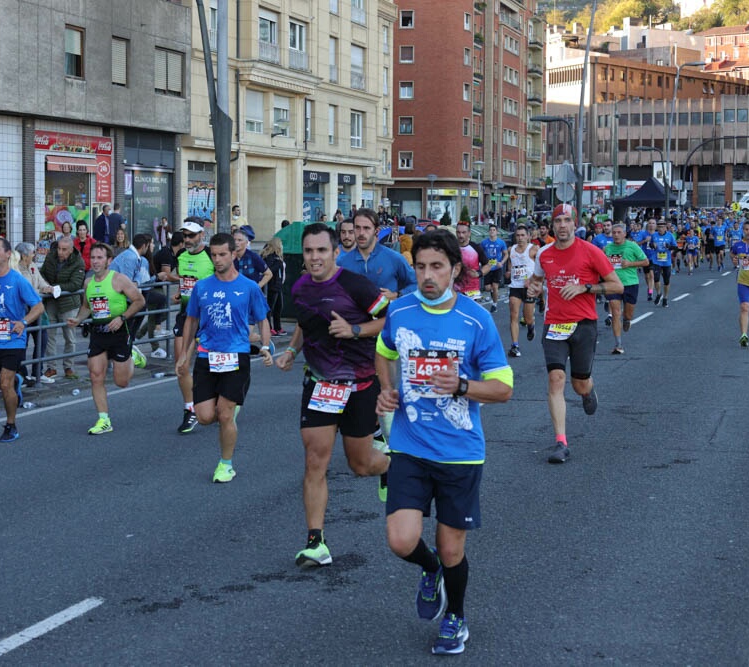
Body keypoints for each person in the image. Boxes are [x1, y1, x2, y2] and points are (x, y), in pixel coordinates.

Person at [375, 229, 513, 656]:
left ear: (455, 269)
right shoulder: (400, 311)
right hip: (410, 446)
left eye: (437, 267)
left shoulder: (476, 319)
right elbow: (384, 350)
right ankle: (428, 567)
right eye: (420, 266)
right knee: (401, 540)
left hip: (460, 453)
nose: (428, 276)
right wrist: (386, 389)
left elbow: (504, 387)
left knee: (453, 548)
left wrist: (463, 385)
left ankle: (456, 616)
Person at [276, 223, 390, 568]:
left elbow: (388, 320)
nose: (314, 257)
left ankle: (392, 465)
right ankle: (316, 542)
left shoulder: (356, 285)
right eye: (309, 251)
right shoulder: (299, 288)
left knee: (360, 464)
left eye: (321, 250)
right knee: (315, 460)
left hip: (360, 385)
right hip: (320, 383)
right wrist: (292, 353)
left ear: (335, 252)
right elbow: (304, 325)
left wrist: (355, 330)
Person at [526, 203, 623, 463]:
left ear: (574, 224)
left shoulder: (591, 252)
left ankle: (588, 391)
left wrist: (585, 288)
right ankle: (561, 442)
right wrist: (533, 289)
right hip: (554, 324)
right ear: (553, 225)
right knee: (556, 379)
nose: (562, 226)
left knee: (579, 384)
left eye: (567, 220)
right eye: (558, 221)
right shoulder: (544, 254)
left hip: (584, 324)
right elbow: (535, 280)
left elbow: (617, 285)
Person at [175, 233, 272, 482]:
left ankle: (225, 464)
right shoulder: (202, 287)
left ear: (233, 255)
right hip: (207, 356)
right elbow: (191, 320)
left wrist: (265, 346)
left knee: (225, 415)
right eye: (214, 255)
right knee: (206, 416)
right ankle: (224, 407)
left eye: (222, 255)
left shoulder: (249, 287)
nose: (217, 260)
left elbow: (262, 320)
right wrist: (184, 355)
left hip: (236, 356)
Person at [68, 243, 147, 435]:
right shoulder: (88, 283)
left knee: (121, 382)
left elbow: (139, 301)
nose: (95, 262)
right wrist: (78, 318)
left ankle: (131, 356)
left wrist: (122, 318)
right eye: (93, 258)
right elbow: (87, 306)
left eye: (100, 258)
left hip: (119, 331)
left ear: (109, 261)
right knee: (96, 376)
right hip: (98, 332)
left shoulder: (119, 280)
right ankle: (104, 420)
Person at [0, 237, 45, 443]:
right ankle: (16, 382)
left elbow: (38, 307)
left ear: (7, 254)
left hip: (13, 340)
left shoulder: (18, 280)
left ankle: (11, 424)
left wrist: (23, 321)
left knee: (4, 384)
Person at [172, 219, 216, 434]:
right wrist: (182, 292)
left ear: (201, 235)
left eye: (191, 236)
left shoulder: (211, 256)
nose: (187, 240)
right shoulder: (181, 256)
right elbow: (185, 280)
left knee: (211, 366)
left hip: (209, 318)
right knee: (180, 365)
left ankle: (217, 399)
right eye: (185, 236)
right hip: (186, 315)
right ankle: (190, 409)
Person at [336, 208, 416, 301]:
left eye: (366, 228)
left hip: (386, 314)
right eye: (357, 227)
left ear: (377, 231)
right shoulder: (342, 263)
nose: (361, 233)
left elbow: (417, 284)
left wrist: (397, 295)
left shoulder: (394, 258)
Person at [110, 233, 164, 358]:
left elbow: (138, 282)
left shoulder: (138, 258)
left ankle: (129, 345)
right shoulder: (131, 258)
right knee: (126, 326)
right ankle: (122, 352)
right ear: (144, 246)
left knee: (141, 309)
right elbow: (128, 284)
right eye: (149, 244)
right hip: (120, 297)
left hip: (125, 297)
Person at [40, 236, 87, 380]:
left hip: (69, 302)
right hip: (51, 301)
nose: (60, 252)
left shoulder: (78, 262)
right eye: (59, 248)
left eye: (64, 249)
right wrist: (46, 286)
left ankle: (69, 366)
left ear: (71, 249)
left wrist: (56, 288)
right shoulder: (51, 257)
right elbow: (42, 273)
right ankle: (51, 367)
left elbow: (76, 284)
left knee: (69, 336)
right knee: (50, 335)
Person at [603, 223, 648, 354]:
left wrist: (630, 264)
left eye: (618, 232)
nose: (616, 235)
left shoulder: (632, 246)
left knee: (627, 314)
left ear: (624, 234)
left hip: (630, 283)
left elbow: (646, 262)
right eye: (614, 233)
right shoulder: (607, 248)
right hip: (613, 284)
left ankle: (627, 319)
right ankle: (618, 345)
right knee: (616, 313)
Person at [12, 242, 54, 385]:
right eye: (32, 253)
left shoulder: (33, 266)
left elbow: (40, 281)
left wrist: (47, 287)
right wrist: (40, 291)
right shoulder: (15, 270)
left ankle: (38, 372)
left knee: (42, 339)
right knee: (22, 341)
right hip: (23, 311)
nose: (34, 255)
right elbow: (24, 291)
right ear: (24, 256)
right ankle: (22, 373)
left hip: (36, 309)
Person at [505, 224, 537, 357]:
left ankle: (531, 325)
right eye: (517, 235)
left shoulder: (534, 249)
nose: (520, 238)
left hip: (529, 288)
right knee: (514, 315)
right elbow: (511, 264)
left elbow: (541, 268)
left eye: (523, 235)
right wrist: (508, 271)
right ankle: (515, 345)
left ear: (528, 236)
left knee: (527, 317)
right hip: (515, 286)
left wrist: (532, 279)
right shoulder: (511, 249)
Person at [453, 222, 489, 303]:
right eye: (458, 232)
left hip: (472, 291)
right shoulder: (451, 247)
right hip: (454, 290)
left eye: (463, 232)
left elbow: (487, 265)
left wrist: (479, 273)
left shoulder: (475, 247)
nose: (460, 235)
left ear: (469, 233)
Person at [729, 220, 749, 348]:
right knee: (744, 307)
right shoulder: (738, 245)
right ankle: (743, 335)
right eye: (746, 229)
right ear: (743, 231)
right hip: (743, 281)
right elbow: (732, 254)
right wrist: (734, 259)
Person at [479, 224, 508, 312]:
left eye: (494, 230)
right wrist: (482, 263)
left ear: (497, 232)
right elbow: (480, 253)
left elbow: (506, 254)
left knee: (495, 286)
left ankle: (494, 305)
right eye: (490, 230)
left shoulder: (501, 242)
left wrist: (501, 263)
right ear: (488, 232)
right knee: (488, 288)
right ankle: (493, 293)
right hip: (487, 267)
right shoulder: (484, 242)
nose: (492, 231)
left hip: (497, 268)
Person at [261, 237, 287, 336]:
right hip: (271, 286)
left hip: (278, 285)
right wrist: (278, 264)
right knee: (269, 308)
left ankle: (277, 327)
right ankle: (269, 328)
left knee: (278, 307)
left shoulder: (277, 257)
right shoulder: (270, 257)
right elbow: (268, 271)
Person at [649, 219, 676, 308]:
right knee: (656, 279)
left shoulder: (670, 236)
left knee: (666, 281)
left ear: (665, 228)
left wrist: (669, 246)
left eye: (662, 227)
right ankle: (659, 293)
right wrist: (653, 245)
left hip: (666, 261)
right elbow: (650, 245)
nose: (660, 229)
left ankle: (665, 298)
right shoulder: (654, 235)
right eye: (659, 227)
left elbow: (675, 247)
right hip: (656, 260)